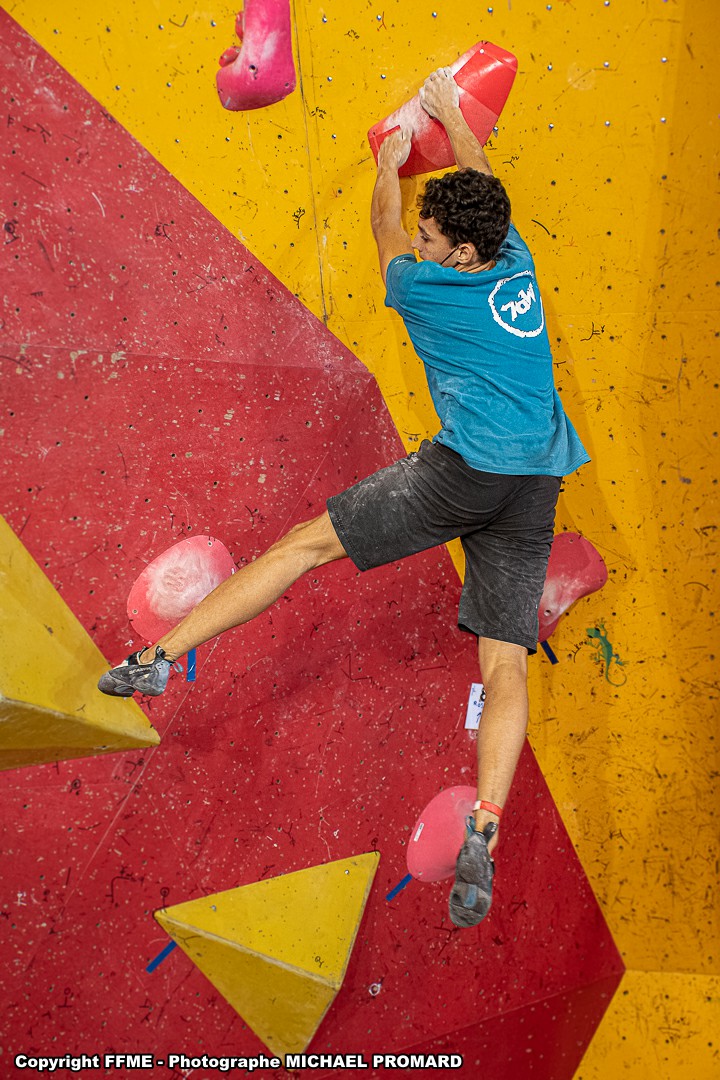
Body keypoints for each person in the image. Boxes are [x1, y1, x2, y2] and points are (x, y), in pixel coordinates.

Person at [98, 68, 589, 928]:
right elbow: (484, 183)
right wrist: (450, 117)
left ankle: (158, 658)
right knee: (504, 663)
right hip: (535, 483)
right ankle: (485, 822)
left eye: (435, 238)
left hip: (464, 472)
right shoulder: (515, 259)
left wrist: (388, 166)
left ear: (460, 253)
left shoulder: (425, 288)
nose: (423, 243)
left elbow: (385, 229)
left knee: (304, 546)